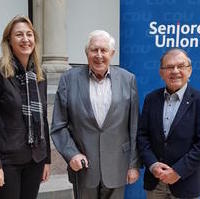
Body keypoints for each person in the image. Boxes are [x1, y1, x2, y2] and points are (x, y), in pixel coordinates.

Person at [51, 30, 140, 199]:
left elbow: (134, 125)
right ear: (86, 53)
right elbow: (59, 125)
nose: (99, 55)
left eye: (104, 50)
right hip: (84, 168)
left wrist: (133, 164)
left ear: (112, 54)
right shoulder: (68, 80)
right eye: (94, 50)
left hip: (117, 166)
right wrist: (72, 153)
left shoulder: (128, 80)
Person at [137, 48, 200, 199]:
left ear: (189, 71)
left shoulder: (198, 101)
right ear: (161, 72)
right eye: (169, 67)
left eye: (181, 66)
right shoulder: (151, 99)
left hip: (186, 183)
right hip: (155, 182)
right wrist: (153, 165)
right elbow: (142, 136)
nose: (175, 71)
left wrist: (177, 171)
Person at [0, 15, 51, 199]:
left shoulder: (39, 75)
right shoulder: (2, 73)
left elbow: (43, 118)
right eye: (19, 35)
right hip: (8, 162)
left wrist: (46, 159)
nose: (25, 39)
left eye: (29, 34)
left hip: (35, 159)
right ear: (9, 41)